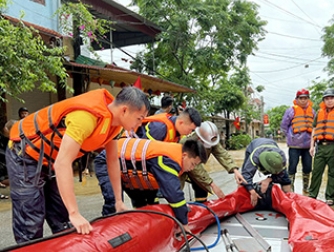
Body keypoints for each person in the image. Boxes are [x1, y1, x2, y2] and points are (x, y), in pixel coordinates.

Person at [6, 87, 150, 243]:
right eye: (139, 118)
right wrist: (74, 212)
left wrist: (119, 201)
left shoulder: (115, 125)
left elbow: (113, 160)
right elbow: (63, 163)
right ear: (124, 110)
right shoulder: (85, 118)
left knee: (61, 215)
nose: (140, 124)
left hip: (52, 158)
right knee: (31, 216)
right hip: (24, 153)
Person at [95, 107, 202, 215]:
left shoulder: (176, 134)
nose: (190, 133)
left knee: (149, 197)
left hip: (134, 166)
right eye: (190, 129)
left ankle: (146, 217)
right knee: (114, 202)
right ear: (181, 122)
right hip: (118, 159)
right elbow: (146, 156)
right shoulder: (160, 128)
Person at [118, 137, 207, 233]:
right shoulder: (168, 160)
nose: (192, 168)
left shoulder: (171, 155)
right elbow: (174, 194)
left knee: (146, 202)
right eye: (192, 164)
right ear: (184, 155)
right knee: (112, 205)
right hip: (109, 160)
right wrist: (184, 223)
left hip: (128, 168)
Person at [179, 121, 246, 202]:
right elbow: (196, 168)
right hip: (182, 167)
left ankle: (201, 209)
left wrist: (235, 170)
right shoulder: (187, 142)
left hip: (196, 167)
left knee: (202, 188)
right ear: (200, 138)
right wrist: (213, 185)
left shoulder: (210, 138)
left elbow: (222, 153)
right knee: (176, 191)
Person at [308, 88, 334, 206]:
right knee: (316, 171)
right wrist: (311, 146)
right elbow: (314, 129)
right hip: (320, 145)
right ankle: (312, 195)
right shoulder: (319, 113)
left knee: (333, 172)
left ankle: (330, 197)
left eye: (331, 98)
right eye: (326, 99)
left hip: (333, 145)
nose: (329, 101)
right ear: (324, 100)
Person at [280, 88, 314, 194]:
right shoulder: (290, 111)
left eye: (305, 98)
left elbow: (316, 127)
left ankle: (306, 186)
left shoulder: (312, 112)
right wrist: (290, 137)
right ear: (297, 99)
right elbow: (284, 126)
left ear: (308, 99)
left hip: (308, 145)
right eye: (301, 98)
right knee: (292, 166)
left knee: (308, 167)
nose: (303, 100)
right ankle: (290, 187)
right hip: (294, 145)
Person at [240, 138, 291, 207]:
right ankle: (241, 200)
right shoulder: (255, 157)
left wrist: (269, 179)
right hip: (254, 146)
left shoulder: (281, 158)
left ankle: (289, 202)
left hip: (271, 145)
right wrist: (252, 191)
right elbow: (246, 175)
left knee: (285, 179)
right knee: (242, 179)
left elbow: (282, 174)